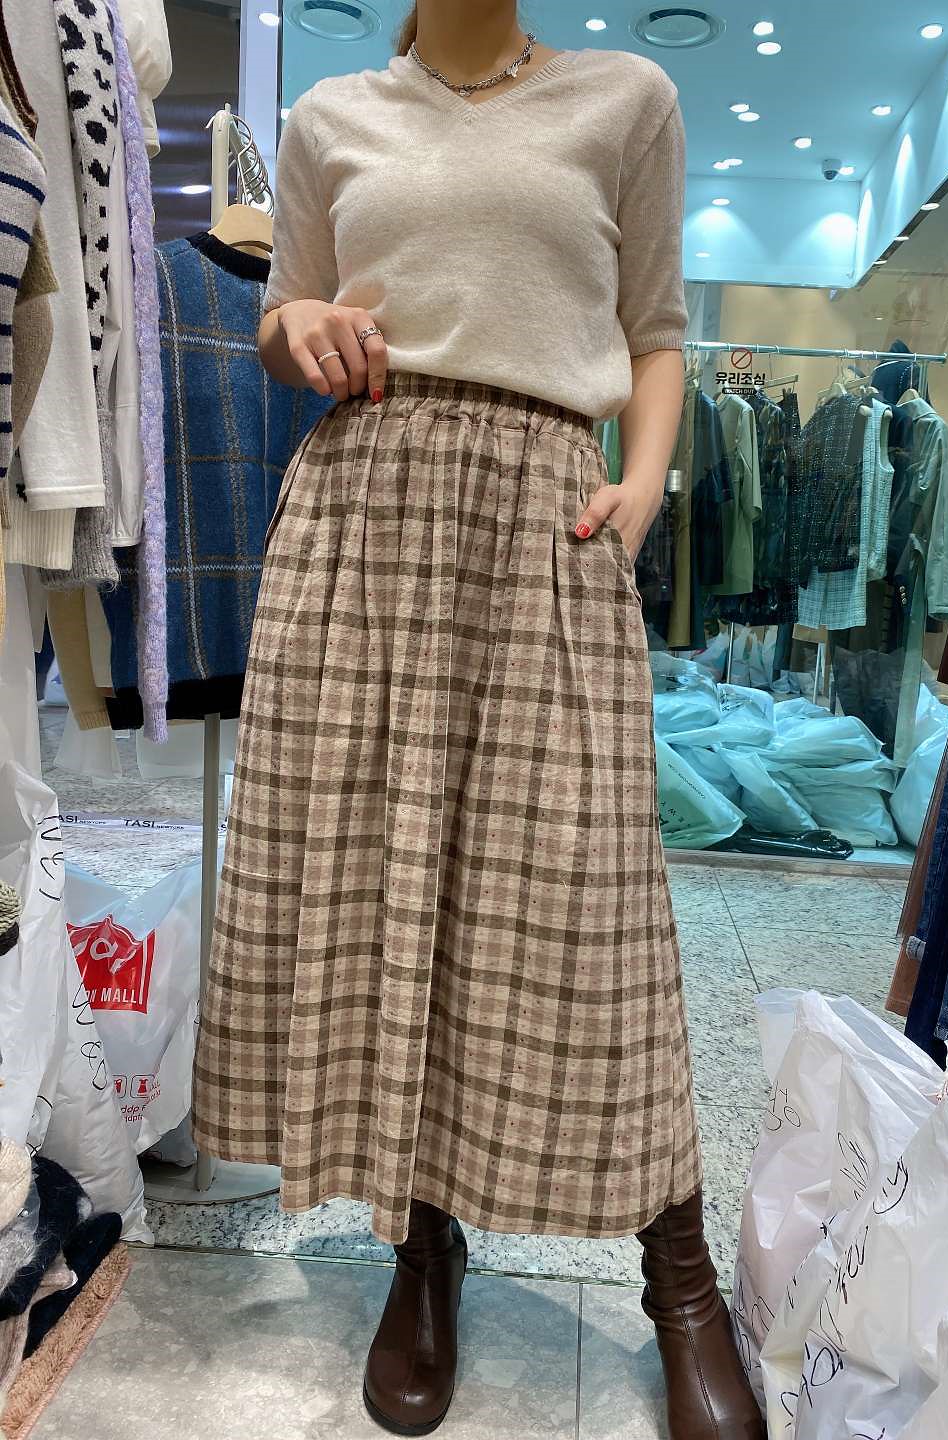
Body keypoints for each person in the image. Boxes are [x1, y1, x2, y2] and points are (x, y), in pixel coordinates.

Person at [192, 4, 762, 1437]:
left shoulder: (624, 100)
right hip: (363, 523)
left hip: (543, 527)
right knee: (395, 895)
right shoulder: (330, 118)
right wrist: (296, 326)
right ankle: (423, 1245)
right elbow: (283, 321)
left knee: (593, 909)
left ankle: (679, 1275)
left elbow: (656, 333)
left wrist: (641, 493)